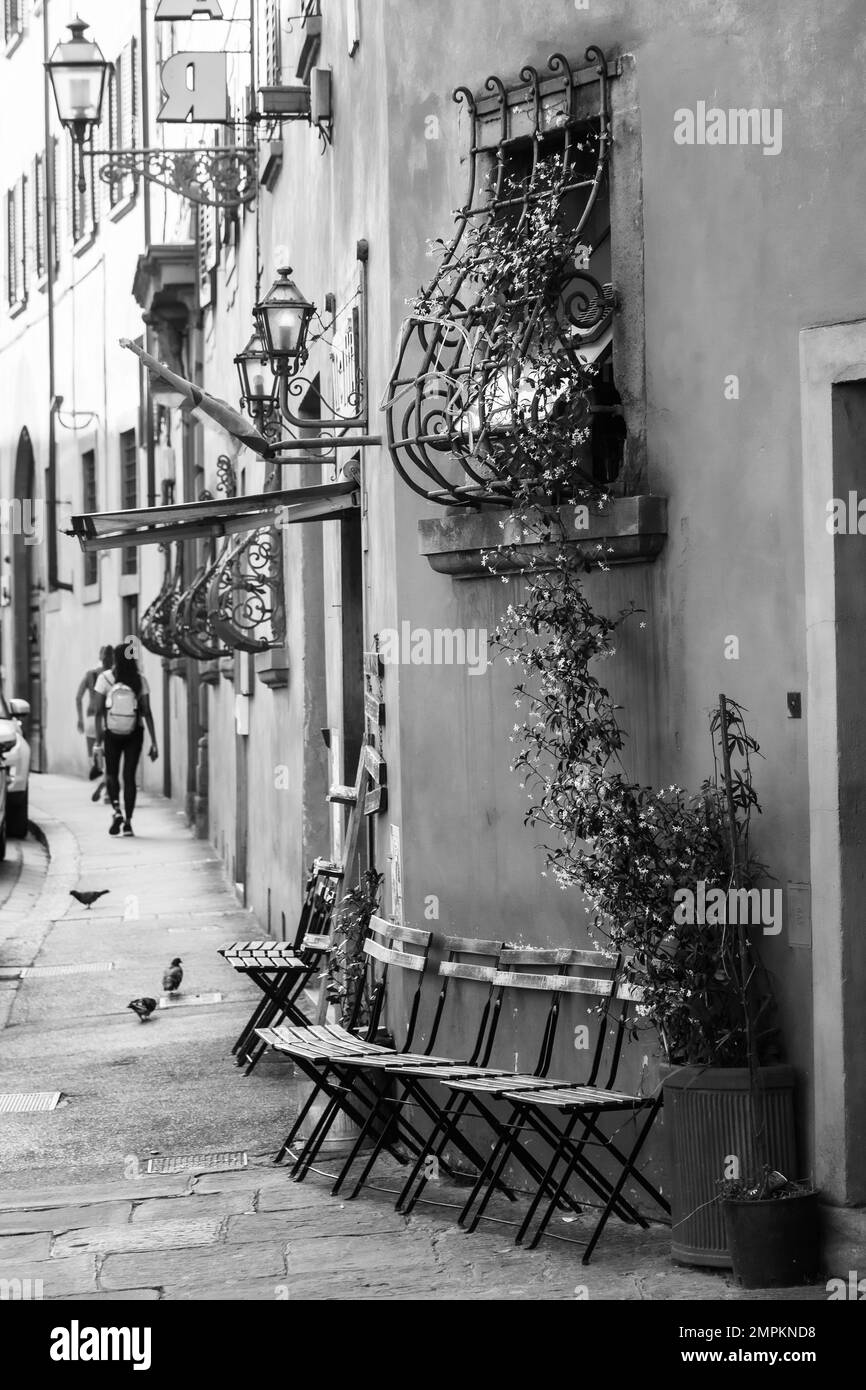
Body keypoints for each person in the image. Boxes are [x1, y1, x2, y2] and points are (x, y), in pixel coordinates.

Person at [93, 637, 158, 837]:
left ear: (115, 659)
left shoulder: (104, 679)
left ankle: (116, 809)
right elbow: (146, 711)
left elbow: (97, 711)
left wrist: (98, 741)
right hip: (134, 732)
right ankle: (128, 823)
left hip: (111, 733)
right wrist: (154, 742)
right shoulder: (140, 680)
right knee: (129, 777)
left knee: (112, 774)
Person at [75, 647, 113, 802]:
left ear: (100, 657)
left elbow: (78, 697)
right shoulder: (113, 675)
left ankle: (101, 780)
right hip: (110, 717)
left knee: (94, 756)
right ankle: (107, 789)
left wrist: (80, 719)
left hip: (92, 718)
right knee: (111, 755)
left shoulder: (90, 675)